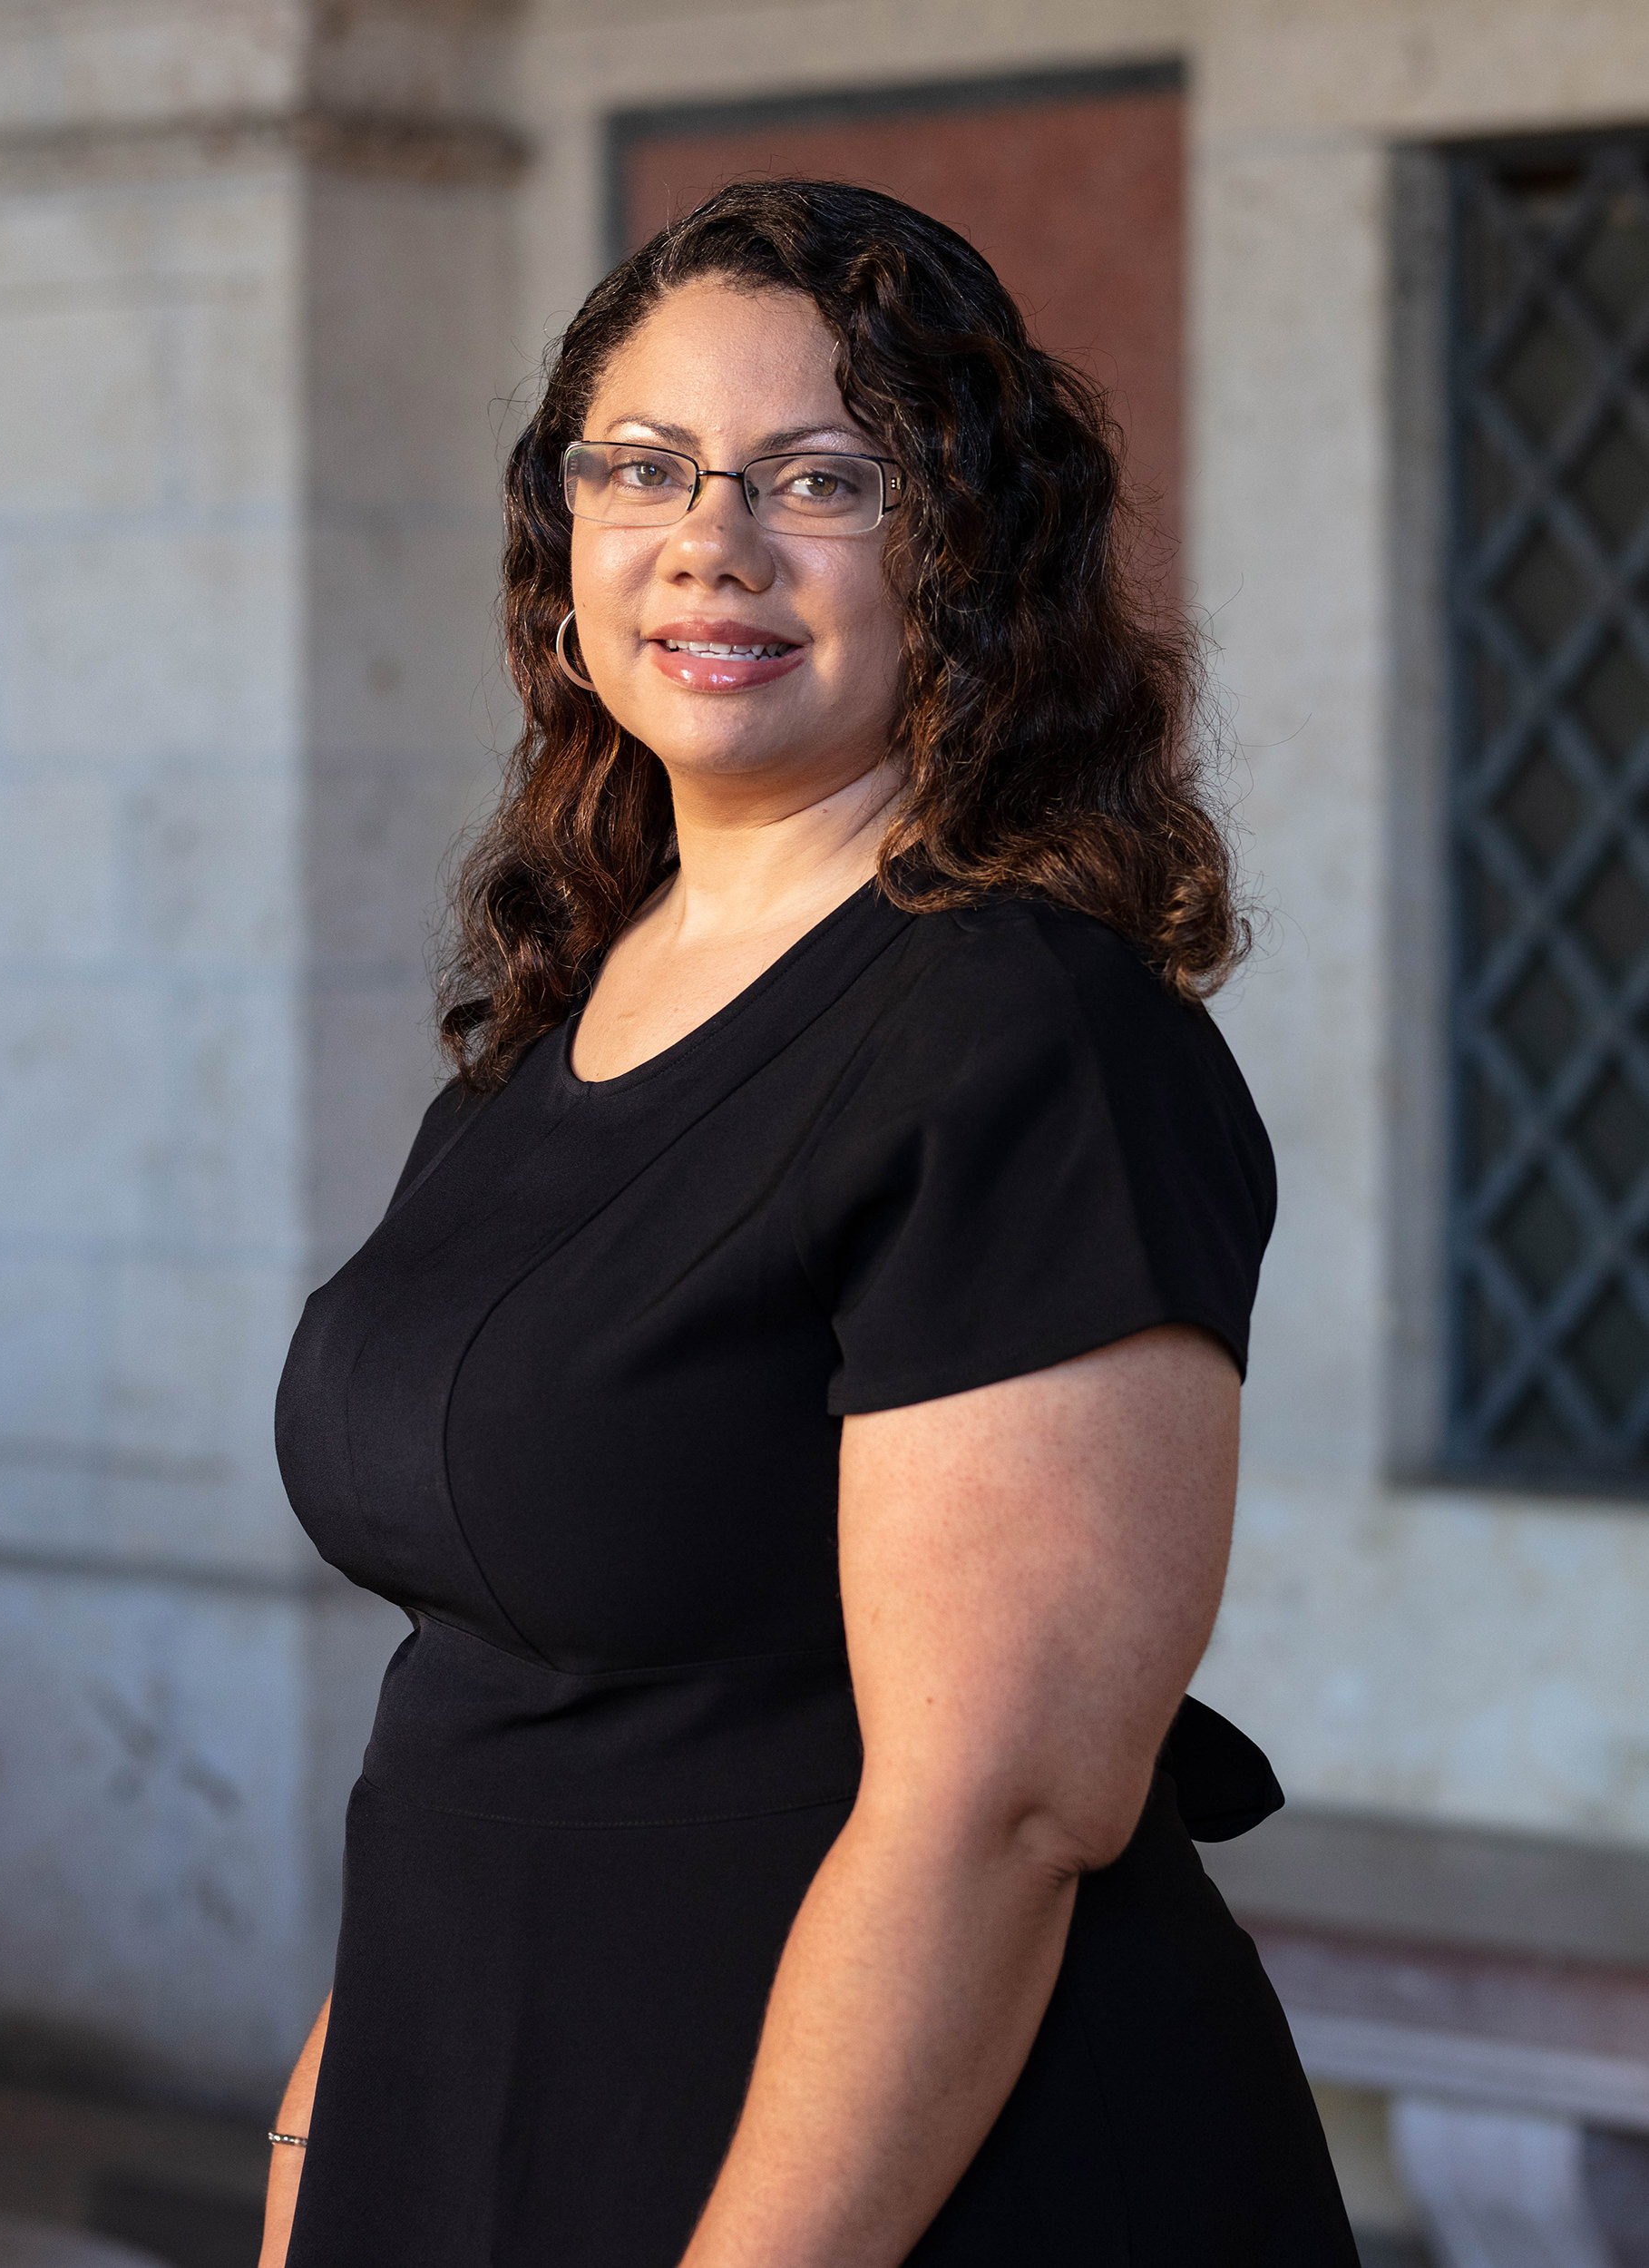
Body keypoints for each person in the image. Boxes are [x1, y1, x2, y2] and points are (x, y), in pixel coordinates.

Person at [263, 180, 1358, 2268]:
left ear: (962, 557)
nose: (710, 540)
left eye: (820, 479)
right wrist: (324, 2161)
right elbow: (487, 1695)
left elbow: (1005, 1801)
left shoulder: (1024, 1033)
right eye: (643, 466)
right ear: (561, 530)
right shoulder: (570, 1006)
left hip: (884, 2191)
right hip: (494, 2118)